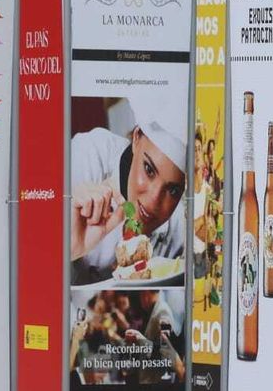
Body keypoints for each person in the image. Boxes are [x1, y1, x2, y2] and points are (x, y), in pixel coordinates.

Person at [69, 117, 188, 285]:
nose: (153, 202)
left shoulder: (178, 233)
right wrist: (67, 249)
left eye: (173, 190)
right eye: (149, 169)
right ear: (136, 137)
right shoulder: (87, 155)